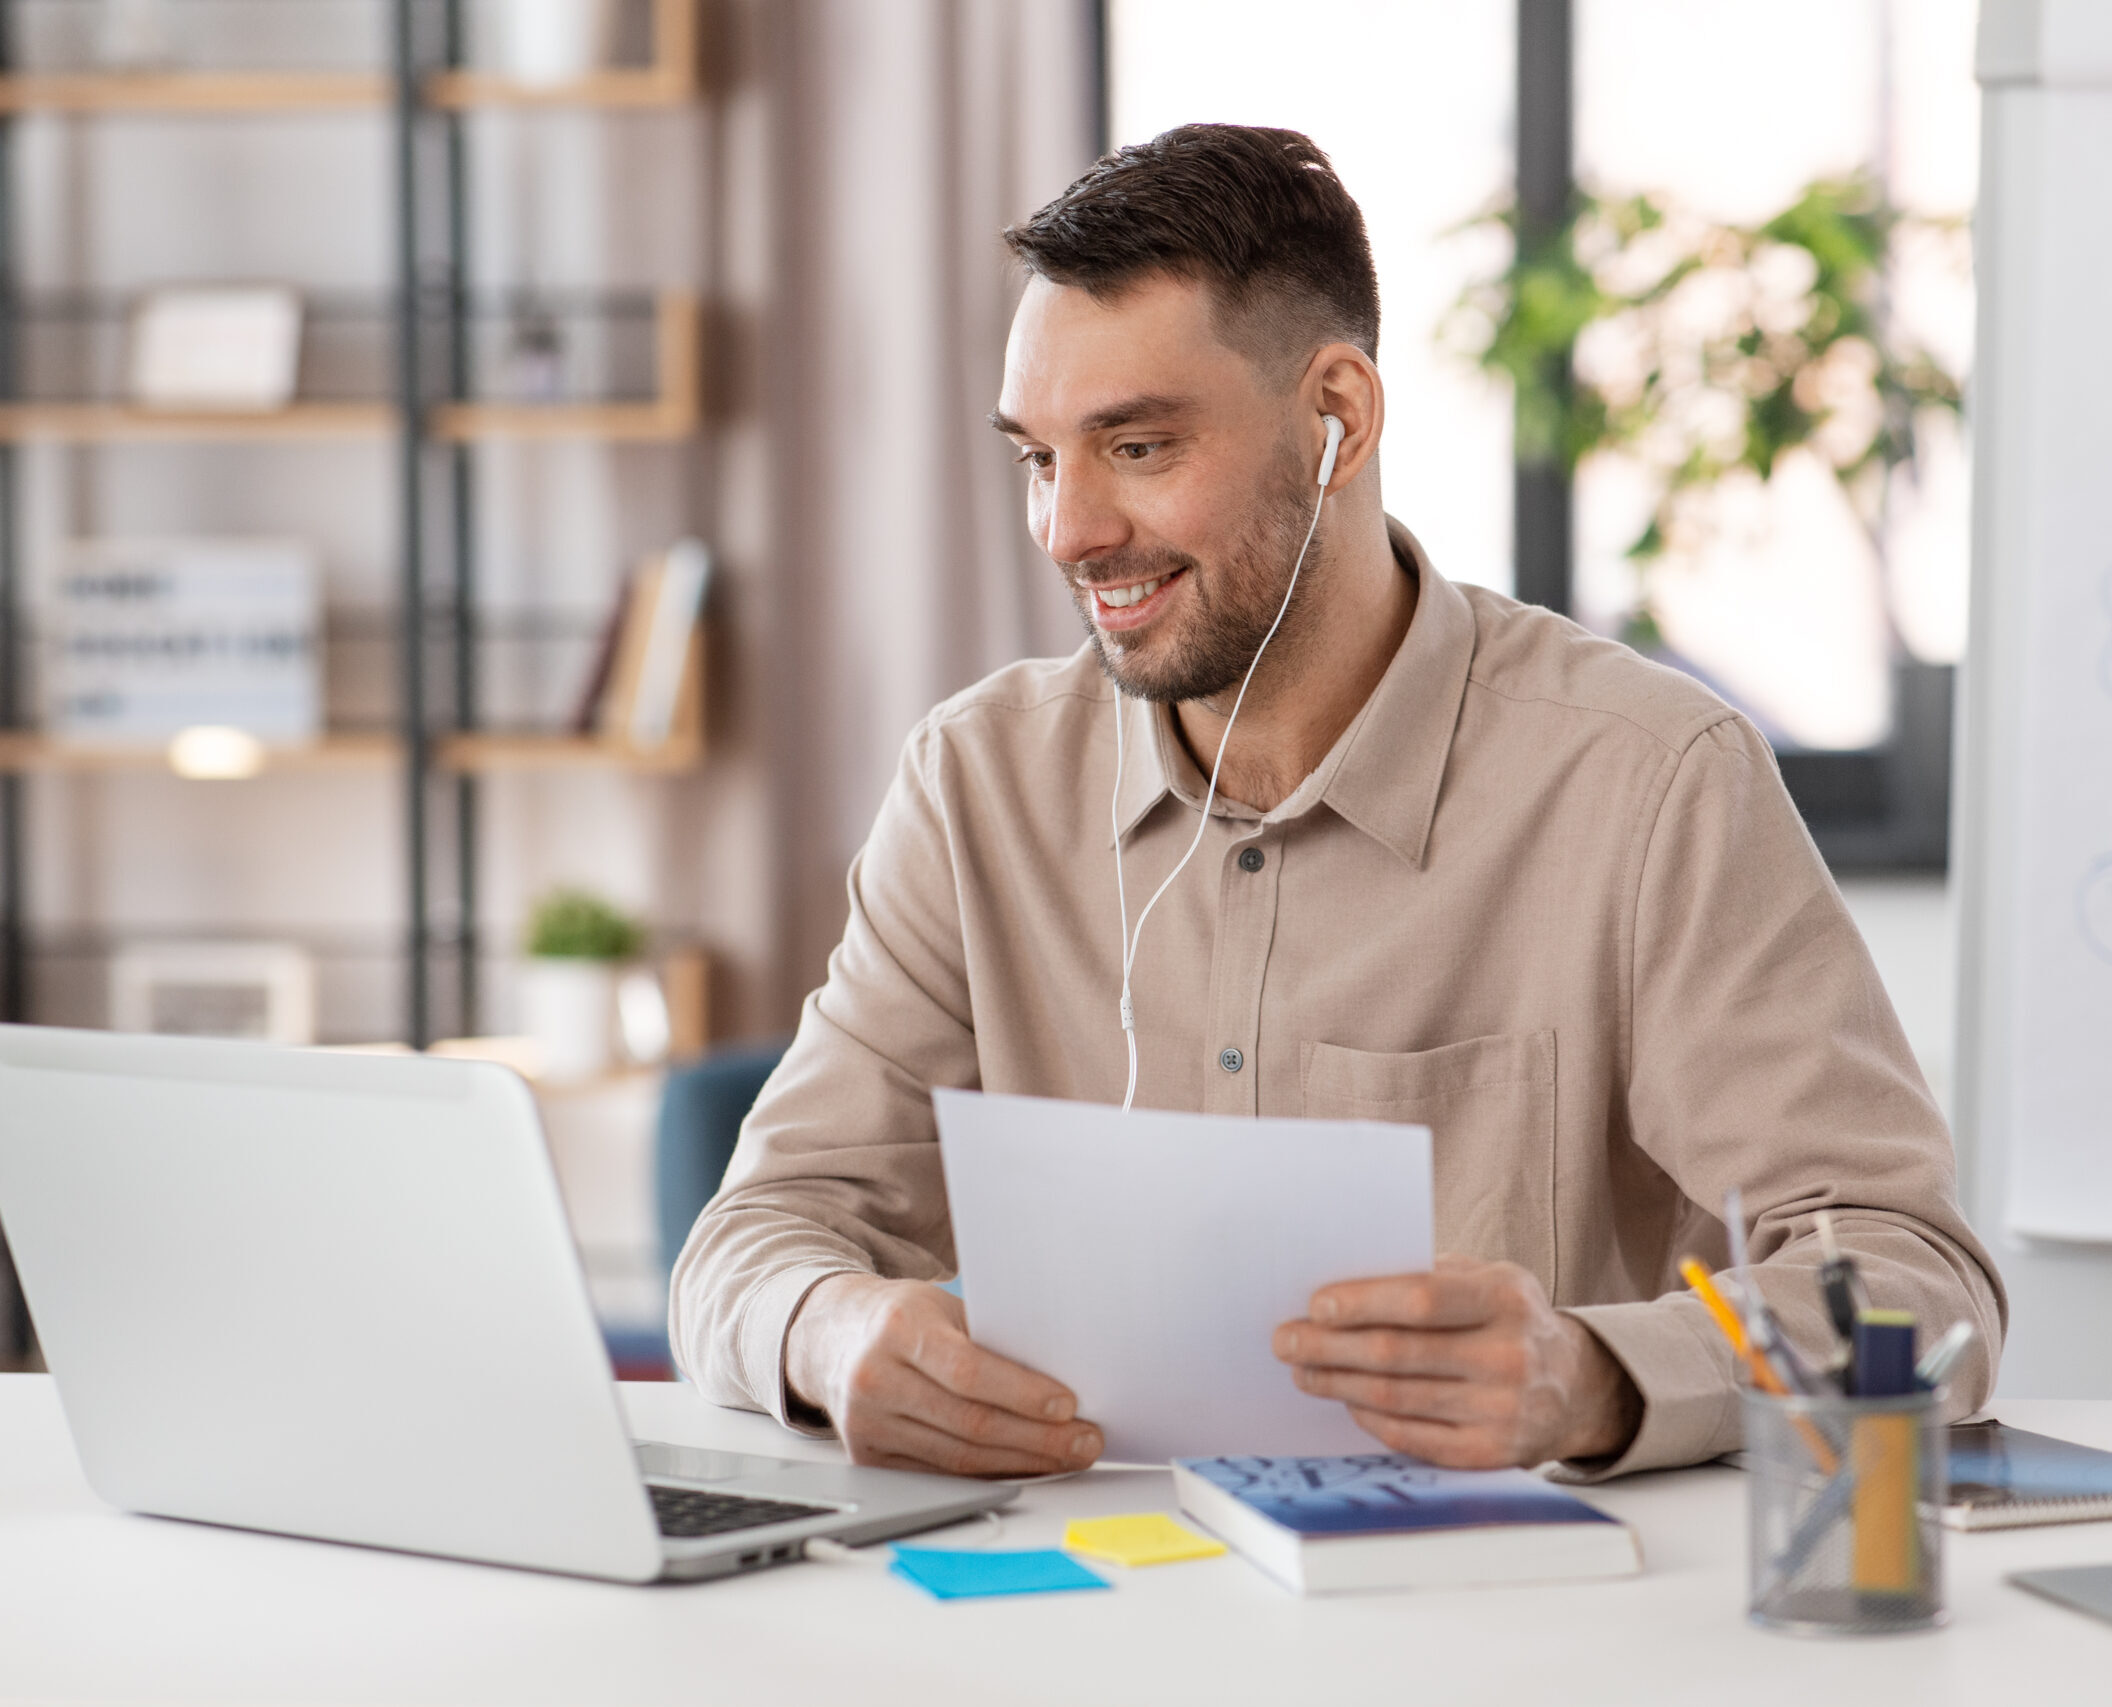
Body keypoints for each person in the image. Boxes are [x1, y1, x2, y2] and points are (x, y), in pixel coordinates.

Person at [669, 124, 2004, 1479]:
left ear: (1338, 421)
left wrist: (1599, 1379)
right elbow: (755, 1236)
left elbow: (1915, 1282)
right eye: (1039, 458)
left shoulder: (1650, 783)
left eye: (1135, 447)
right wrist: (828, 1335)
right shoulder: (977, 785)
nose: (1069, 532)